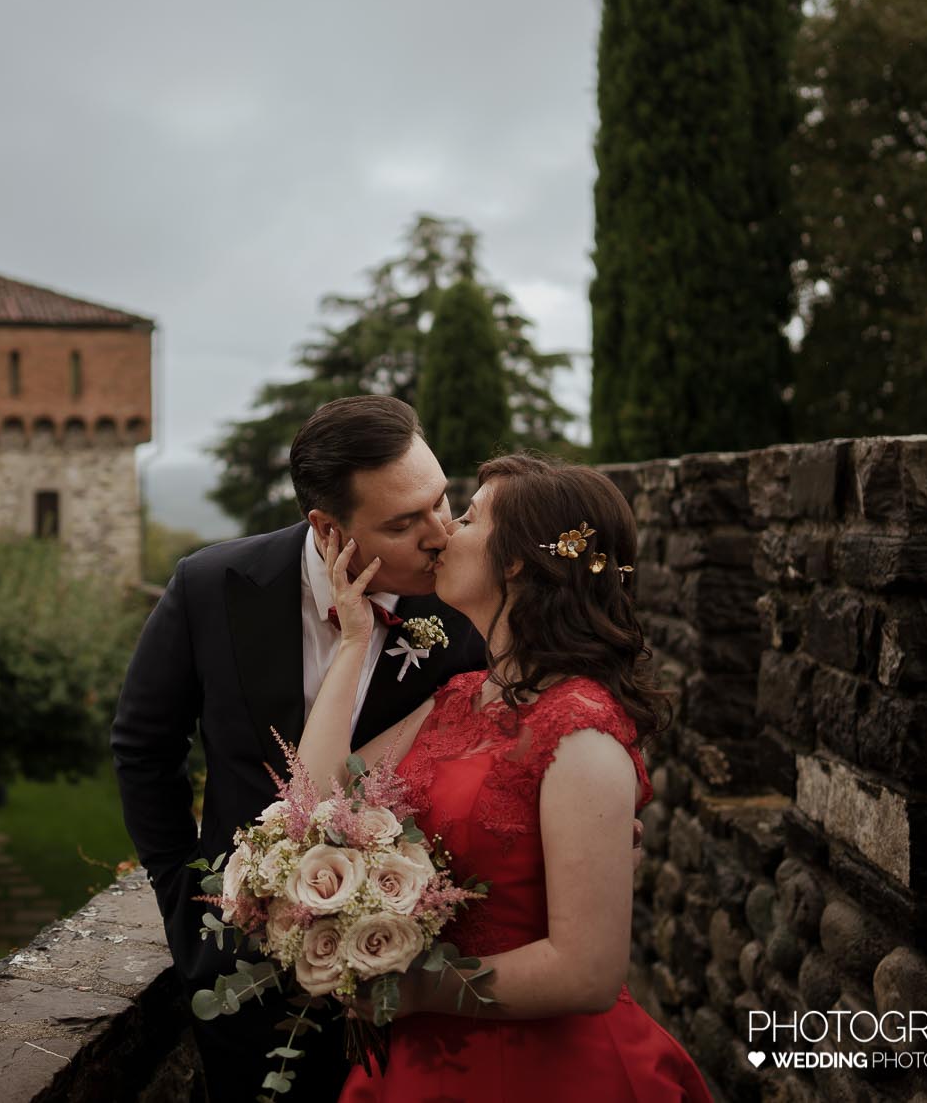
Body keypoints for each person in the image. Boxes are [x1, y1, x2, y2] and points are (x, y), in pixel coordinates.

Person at [299, 451, 712, 1103]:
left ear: (516, 558)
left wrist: (412, 988)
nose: (443, 532)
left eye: (466, 516)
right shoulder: (460, 696)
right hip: (424, 1065)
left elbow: (589, 971)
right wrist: (353, 640)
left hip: (542, 1071)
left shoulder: (581, 731)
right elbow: (318, 796)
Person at [112, 395, 488, 1103]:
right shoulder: (210, 587)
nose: (441, 534)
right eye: (405, 523)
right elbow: (142, 748)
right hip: (245, 985)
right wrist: (183, 898)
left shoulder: (462, 603)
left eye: (444, 501)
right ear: (326, 527)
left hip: (412, 982)